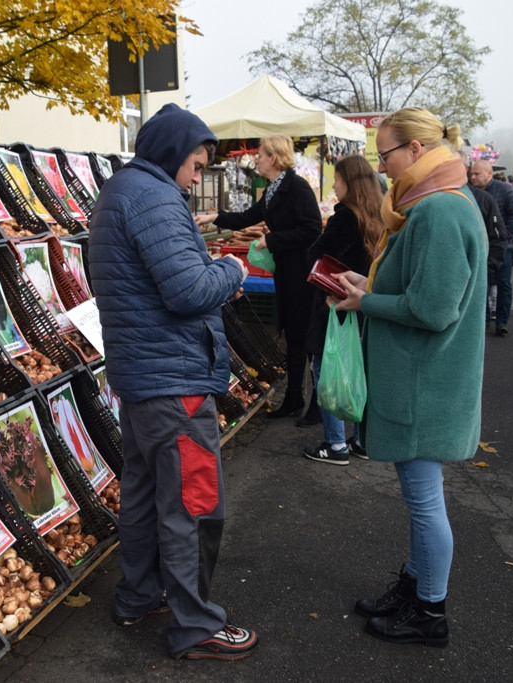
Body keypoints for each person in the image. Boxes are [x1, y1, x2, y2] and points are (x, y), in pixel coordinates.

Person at [87, 103, 257, 661]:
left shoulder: (119, 191)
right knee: (191, 502)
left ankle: (139, 595)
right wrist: (233, 270)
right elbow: (186, 291)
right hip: (174, 377)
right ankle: (195, 625)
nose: (196, 175)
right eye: (195, 162)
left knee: (141, 493)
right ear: (172, 151)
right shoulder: (156, 196)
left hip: (140, 376)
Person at [334, 107, 487, 647]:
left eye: (387, 155)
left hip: (426, 383)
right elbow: (421, 290)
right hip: (424, 380)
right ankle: (418, 587)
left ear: (417, 151)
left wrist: (366, 299)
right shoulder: (432, 203)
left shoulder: (439, 211)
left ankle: (430, 611)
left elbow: (434, 308)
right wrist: (365, 284)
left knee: (425, 502)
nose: (383, 167)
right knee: (421, 500)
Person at [195, 135, 322, 420]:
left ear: (274, 158)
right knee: (292, 335)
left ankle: (316, 404)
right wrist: (213, 217)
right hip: (286, 273)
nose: (257, 160)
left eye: (261, 155)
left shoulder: (297, 188)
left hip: (301, 274)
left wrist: (273, 241)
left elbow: (312, 229)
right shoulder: (274, 189)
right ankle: (293, 398)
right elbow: (245, 218)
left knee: (305, 337)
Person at [301, 155, 381, 465]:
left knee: (327, 371)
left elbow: (317, 255)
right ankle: (361, 440)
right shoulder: (377, 216)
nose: (334, 184)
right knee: (357, 371)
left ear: (350, 182)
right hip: (363, 305)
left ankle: (335, 445)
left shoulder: (344, 217)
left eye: (337, 179)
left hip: (334, 305)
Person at [470, 159, 513, 335]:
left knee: (503, 284)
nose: (473, 177)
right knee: (481, 284)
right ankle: (483, 320)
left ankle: (502, 321)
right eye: (472, 173)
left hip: (502, 247)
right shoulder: (471, 192)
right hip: (479, 247)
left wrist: (502, 236)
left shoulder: (505, 189)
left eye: (477, 174)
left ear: (489, 173)